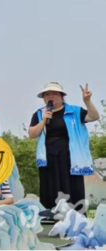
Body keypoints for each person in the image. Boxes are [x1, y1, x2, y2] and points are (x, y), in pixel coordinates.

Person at [28, 82, 99, 210]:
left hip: (71, 157)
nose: (50, 96)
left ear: (62, 96)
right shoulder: (39, 114)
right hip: (48, 157)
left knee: (72, 185)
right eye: (47, 94)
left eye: (54, 94)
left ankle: (75, 214)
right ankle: (51, 214)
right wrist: (43, 120)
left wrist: (87, 101)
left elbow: (94, 116)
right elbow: (32, 134)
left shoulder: (74, 111)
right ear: (43, 98)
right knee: (50, 185)